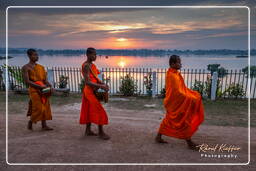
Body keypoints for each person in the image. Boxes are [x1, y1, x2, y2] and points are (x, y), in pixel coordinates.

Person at [155, 55, 204, 150]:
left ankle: (158, 137)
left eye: (180, 62)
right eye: (179, 62)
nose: (181, 64)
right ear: (173, 64)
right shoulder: (172, 75)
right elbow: (177, 92)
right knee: (183, 122)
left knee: (169, 120)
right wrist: (190, 98)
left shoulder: (175, 73)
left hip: (174, 102)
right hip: (175, 103)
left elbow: (182, 89)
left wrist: (191, 94)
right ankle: (189, 143)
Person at [80, 47, 110, 140]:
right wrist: (101, 86)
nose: (95, 56)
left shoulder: (93, 66)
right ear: (88, 55)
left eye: (96, 54)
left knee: (89, 110)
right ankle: (101, 132)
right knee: (99, 110)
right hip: (89, 91)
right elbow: (87, 82)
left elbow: (95, 78)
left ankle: (87, 131)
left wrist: (102, 84)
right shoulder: (86, 66)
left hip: (94, 90)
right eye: (93, 54)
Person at [22, 49, 53, 131]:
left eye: (37, 55)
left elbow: (45, 80)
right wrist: (39, 87)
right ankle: (31, 121)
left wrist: (49, 85)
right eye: (35, 55)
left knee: (45, 106)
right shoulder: (25, 67)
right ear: (29, 56)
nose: (37, 56)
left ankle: (44, 125)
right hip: (34, 89)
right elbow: (27, 81)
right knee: (38, 108)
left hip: (43, 88)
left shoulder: (41, 67)